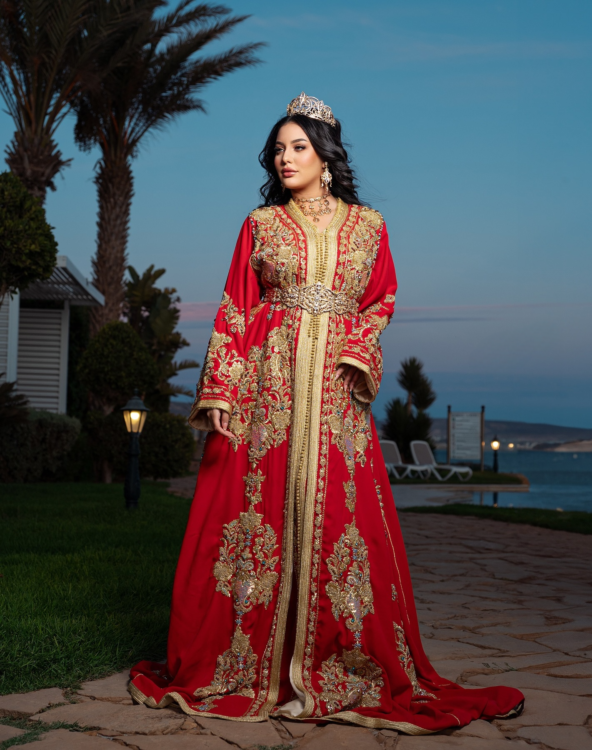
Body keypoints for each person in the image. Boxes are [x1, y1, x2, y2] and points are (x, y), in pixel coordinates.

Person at [129, 93, 524, 733]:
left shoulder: (369, 227)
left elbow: (381, 297)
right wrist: (222, 390)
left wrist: (358, 351)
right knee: (263, 513)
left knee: (338, 516)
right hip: (270, 389)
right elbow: (236, 305)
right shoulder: (260, 225)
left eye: (298, 147)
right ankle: (254, 660)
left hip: (336, 393)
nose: (285, 159)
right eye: (278, 149)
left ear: (327, 156)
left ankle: (334, 660)